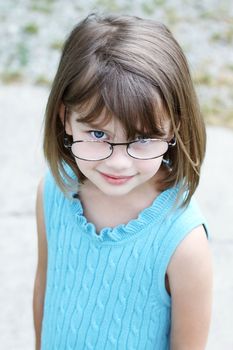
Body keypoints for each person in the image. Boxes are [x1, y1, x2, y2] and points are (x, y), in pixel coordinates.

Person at [33, 13, 213, 350]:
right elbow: (45, 288)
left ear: (173, 126)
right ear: (65, 119)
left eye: (143, 138)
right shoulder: (53, 192)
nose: (118, 162)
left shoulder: (183, 244)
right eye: (98, 133)